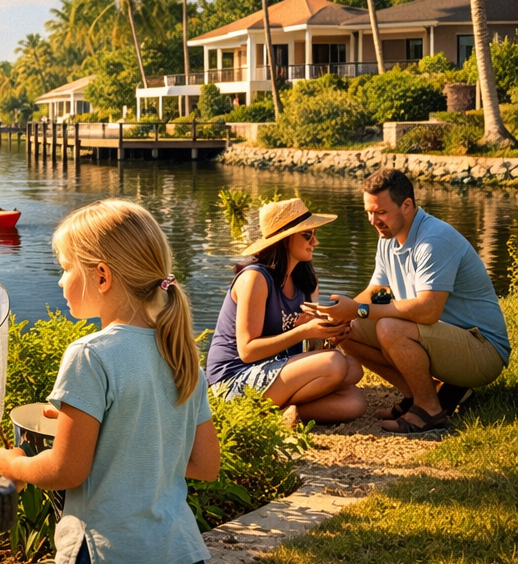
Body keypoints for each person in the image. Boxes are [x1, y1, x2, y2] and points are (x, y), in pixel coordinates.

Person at [0, 200, 219, 564]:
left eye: (64, 268)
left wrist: (13, 465)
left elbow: (66, 470)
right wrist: (103, 428)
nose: (60, 279)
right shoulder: (181, 352)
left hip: (105, 559)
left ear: (101, 275)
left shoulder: (89, 355)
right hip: (176, 551)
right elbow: (203, 464)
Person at [321, 169, 511, 433]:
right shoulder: (387, 237)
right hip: (445, 338)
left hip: (482, 350)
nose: (373, 220)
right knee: (348, 330)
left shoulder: (433, 240)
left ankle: (430, 411)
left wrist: (361, 310)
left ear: (407, 205)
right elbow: (377, 289)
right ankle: (422, 395)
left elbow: (428, 310)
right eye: (369, 212)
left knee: (390, 327)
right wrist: (339, 315)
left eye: (381, 212)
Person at [205, 199, 366, 426]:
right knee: (335, 365)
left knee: (353, 390)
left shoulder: (306, 281)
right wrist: (302, 332)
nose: (315, 241)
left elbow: (305, 348)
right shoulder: (255, 279)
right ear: (285, 238)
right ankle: (258, 412)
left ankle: (279, 415)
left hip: (275, 371)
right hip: (233, 379)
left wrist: (327, 337)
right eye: (307, 235)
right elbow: (248, 351)